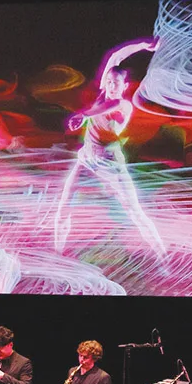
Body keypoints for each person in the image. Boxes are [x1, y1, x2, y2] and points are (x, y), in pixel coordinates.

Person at [52, 38, 166, 258]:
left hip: (110, 163)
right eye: (110, 82)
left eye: (117, 83)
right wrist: (143, 45)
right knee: (64, 203)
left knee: (134, 212)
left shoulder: (122, 105)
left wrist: (83, 115)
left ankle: (163, 256)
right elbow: (115, 57)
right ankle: (57, 254)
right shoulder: (103, 94)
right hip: (86, 159)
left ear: (125, 87)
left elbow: (108, 107)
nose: (112, 86)